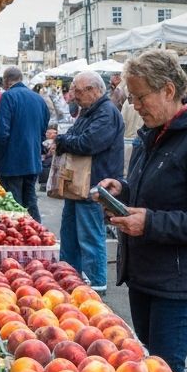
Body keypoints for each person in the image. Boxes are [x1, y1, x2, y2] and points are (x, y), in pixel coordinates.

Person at [98, 48, 187, 372]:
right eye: (132, 97)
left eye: (140, 97)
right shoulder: (154, 133)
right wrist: (123, 190)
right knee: (149, 363)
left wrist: (150, 222)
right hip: (147, 272)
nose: (135, 106)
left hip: (179, 280)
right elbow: (159, 190)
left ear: (168, 90)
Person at [54, 71, 124, 293]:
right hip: (78, 187)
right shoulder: (89, 111)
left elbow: (88, 143)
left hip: (95, 186)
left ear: (93, 90)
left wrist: (62, 141)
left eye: (77, 90)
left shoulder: (106, 113)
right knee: (70, 237)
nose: (73, 95)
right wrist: (64, 139)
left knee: (91, 239)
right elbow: (76, 136)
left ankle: (97, 286)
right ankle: (69, 279)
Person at [0, 66, 50, 222]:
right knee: (31, 202)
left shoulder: (8, 97)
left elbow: (1, 133)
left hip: (12, 162)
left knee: (14, 205)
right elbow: (43, 129)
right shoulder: (39, 99)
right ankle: (39, 236)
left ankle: (20, 239)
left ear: (5, 81)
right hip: (32, 160)